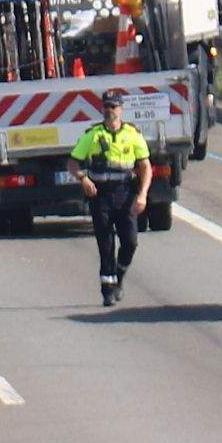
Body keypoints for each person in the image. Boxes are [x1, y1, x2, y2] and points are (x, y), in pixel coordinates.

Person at [72, 89, 155, 306]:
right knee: (106, 243)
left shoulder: (132, 135)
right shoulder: (93, 135)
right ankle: (107, 290)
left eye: (114, 106)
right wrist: (83, 179)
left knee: (130, 241)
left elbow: (145, 167)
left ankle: (119, 274)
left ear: (121, 109)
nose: (110, 110)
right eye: (106, 106)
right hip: (101, 196)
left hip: (126, 194)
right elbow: (72, 162)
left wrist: (142, 195)